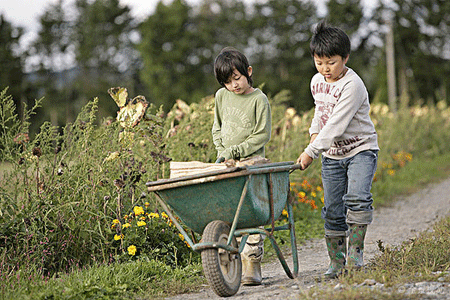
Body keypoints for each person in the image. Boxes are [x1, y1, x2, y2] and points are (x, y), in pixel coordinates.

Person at [296, 21, 379, 278]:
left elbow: (335, 126)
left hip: (360, 150)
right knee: (332, 209)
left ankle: (355, 255)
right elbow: (320, 113)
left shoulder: (352, 85)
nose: (325, 69)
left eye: (331, 62)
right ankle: (336, 262)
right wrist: (312, 133)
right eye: (319, 62)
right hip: (332, 156)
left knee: (356, 198)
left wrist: (311, 151)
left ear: (345, 57)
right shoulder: (316, 81)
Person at [212, 47, 271, 285]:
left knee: (251, 212)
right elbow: (217, 127)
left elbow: (262, 135)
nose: (234, 86)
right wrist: (222, 152)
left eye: (236, 78)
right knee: (227, 209)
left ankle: (252, 262)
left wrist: (236, 152)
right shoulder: (221, 96)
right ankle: (230, 256)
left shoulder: (259, 99)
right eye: (227, 82)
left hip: (252, 162)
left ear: (248, 72)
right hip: (226, 161)